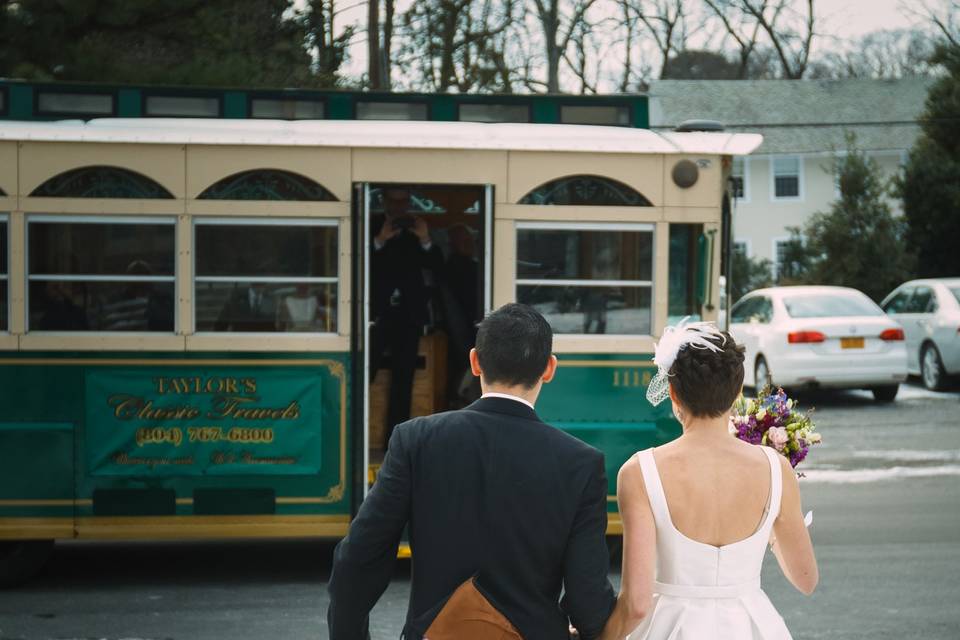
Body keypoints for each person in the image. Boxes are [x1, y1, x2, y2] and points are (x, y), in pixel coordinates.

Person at [328, 303, 617, 640]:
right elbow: (588, 598)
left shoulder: (416, 440)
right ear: (549, 369)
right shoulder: (581, 463)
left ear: (475, 362)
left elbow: (357, 559)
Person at [600, 321, 818, 640]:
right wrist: (770, 524)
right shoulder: (776, 468)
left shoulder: (639, 472)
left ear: (672, 392)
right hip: (752, 626)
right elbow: (806, 579)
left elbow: (636, 604)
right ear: (737, 392)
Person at [369, 188, 444, 447]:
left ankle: (394, 442)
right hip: (377, 314)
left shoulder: (417, 230)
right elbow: (358, 263)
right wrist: (380, 240)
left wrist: (424, 239)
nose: (399, 207)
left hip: (408, 316)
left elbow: (438, 268)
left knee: (404, 379)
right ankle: (356, 434)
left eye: (403, 202)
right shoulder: (371, 225)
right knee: (365, 372)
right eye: (394, 201)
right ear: (384, 201)